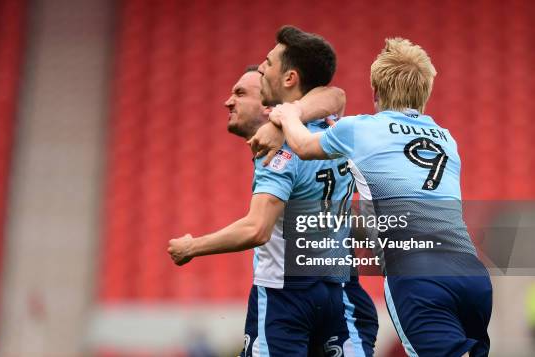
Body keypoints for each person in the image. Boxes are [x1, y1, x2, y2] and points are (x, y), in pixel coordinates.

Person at [252, 37, 492, 357]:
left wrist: (285, 117)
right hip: (472, 274)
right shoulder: (446, 138)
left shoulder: (360, 130)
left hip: (417, 276)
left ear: (376, 93)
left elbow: (302, 146)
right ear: (426, 92)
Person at [169, 25, 377, 357]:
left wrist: (192, 246)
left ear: (284, 87)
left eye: (241, 93)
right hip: (339, 292)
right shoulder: (333, 129)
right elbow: (335, 95)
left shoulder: (280, 154)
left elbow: (257, 228)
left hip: (287, 297)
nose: (228, 101)